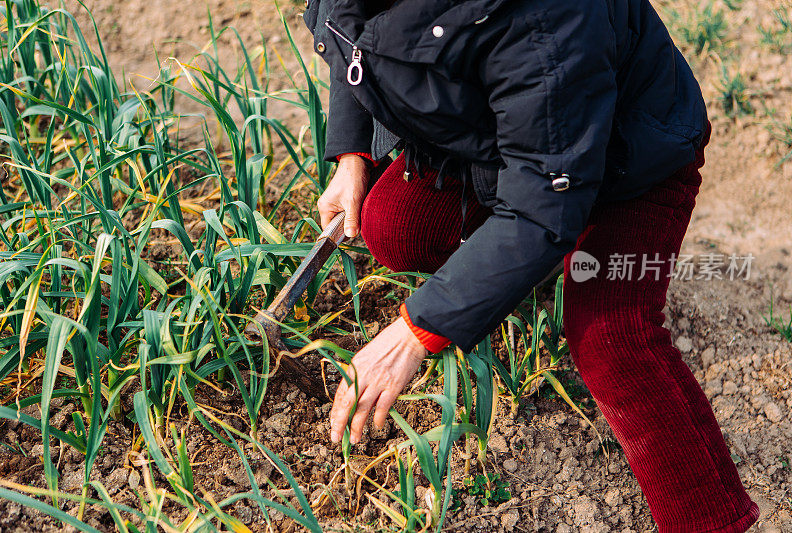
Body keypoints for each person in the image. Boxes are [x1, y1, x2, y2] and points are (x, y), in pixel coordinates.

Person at [304, 0, 760, 530]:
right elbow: (352, 33)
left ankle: (712, 517)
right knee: (398, 226)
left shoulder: (549, 18)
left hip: (631, 162)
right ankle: (532, 260)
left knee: (610, 338)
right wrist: (352, 154)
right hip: (512, 150)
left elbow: (542, 203)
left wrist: (413, 333)